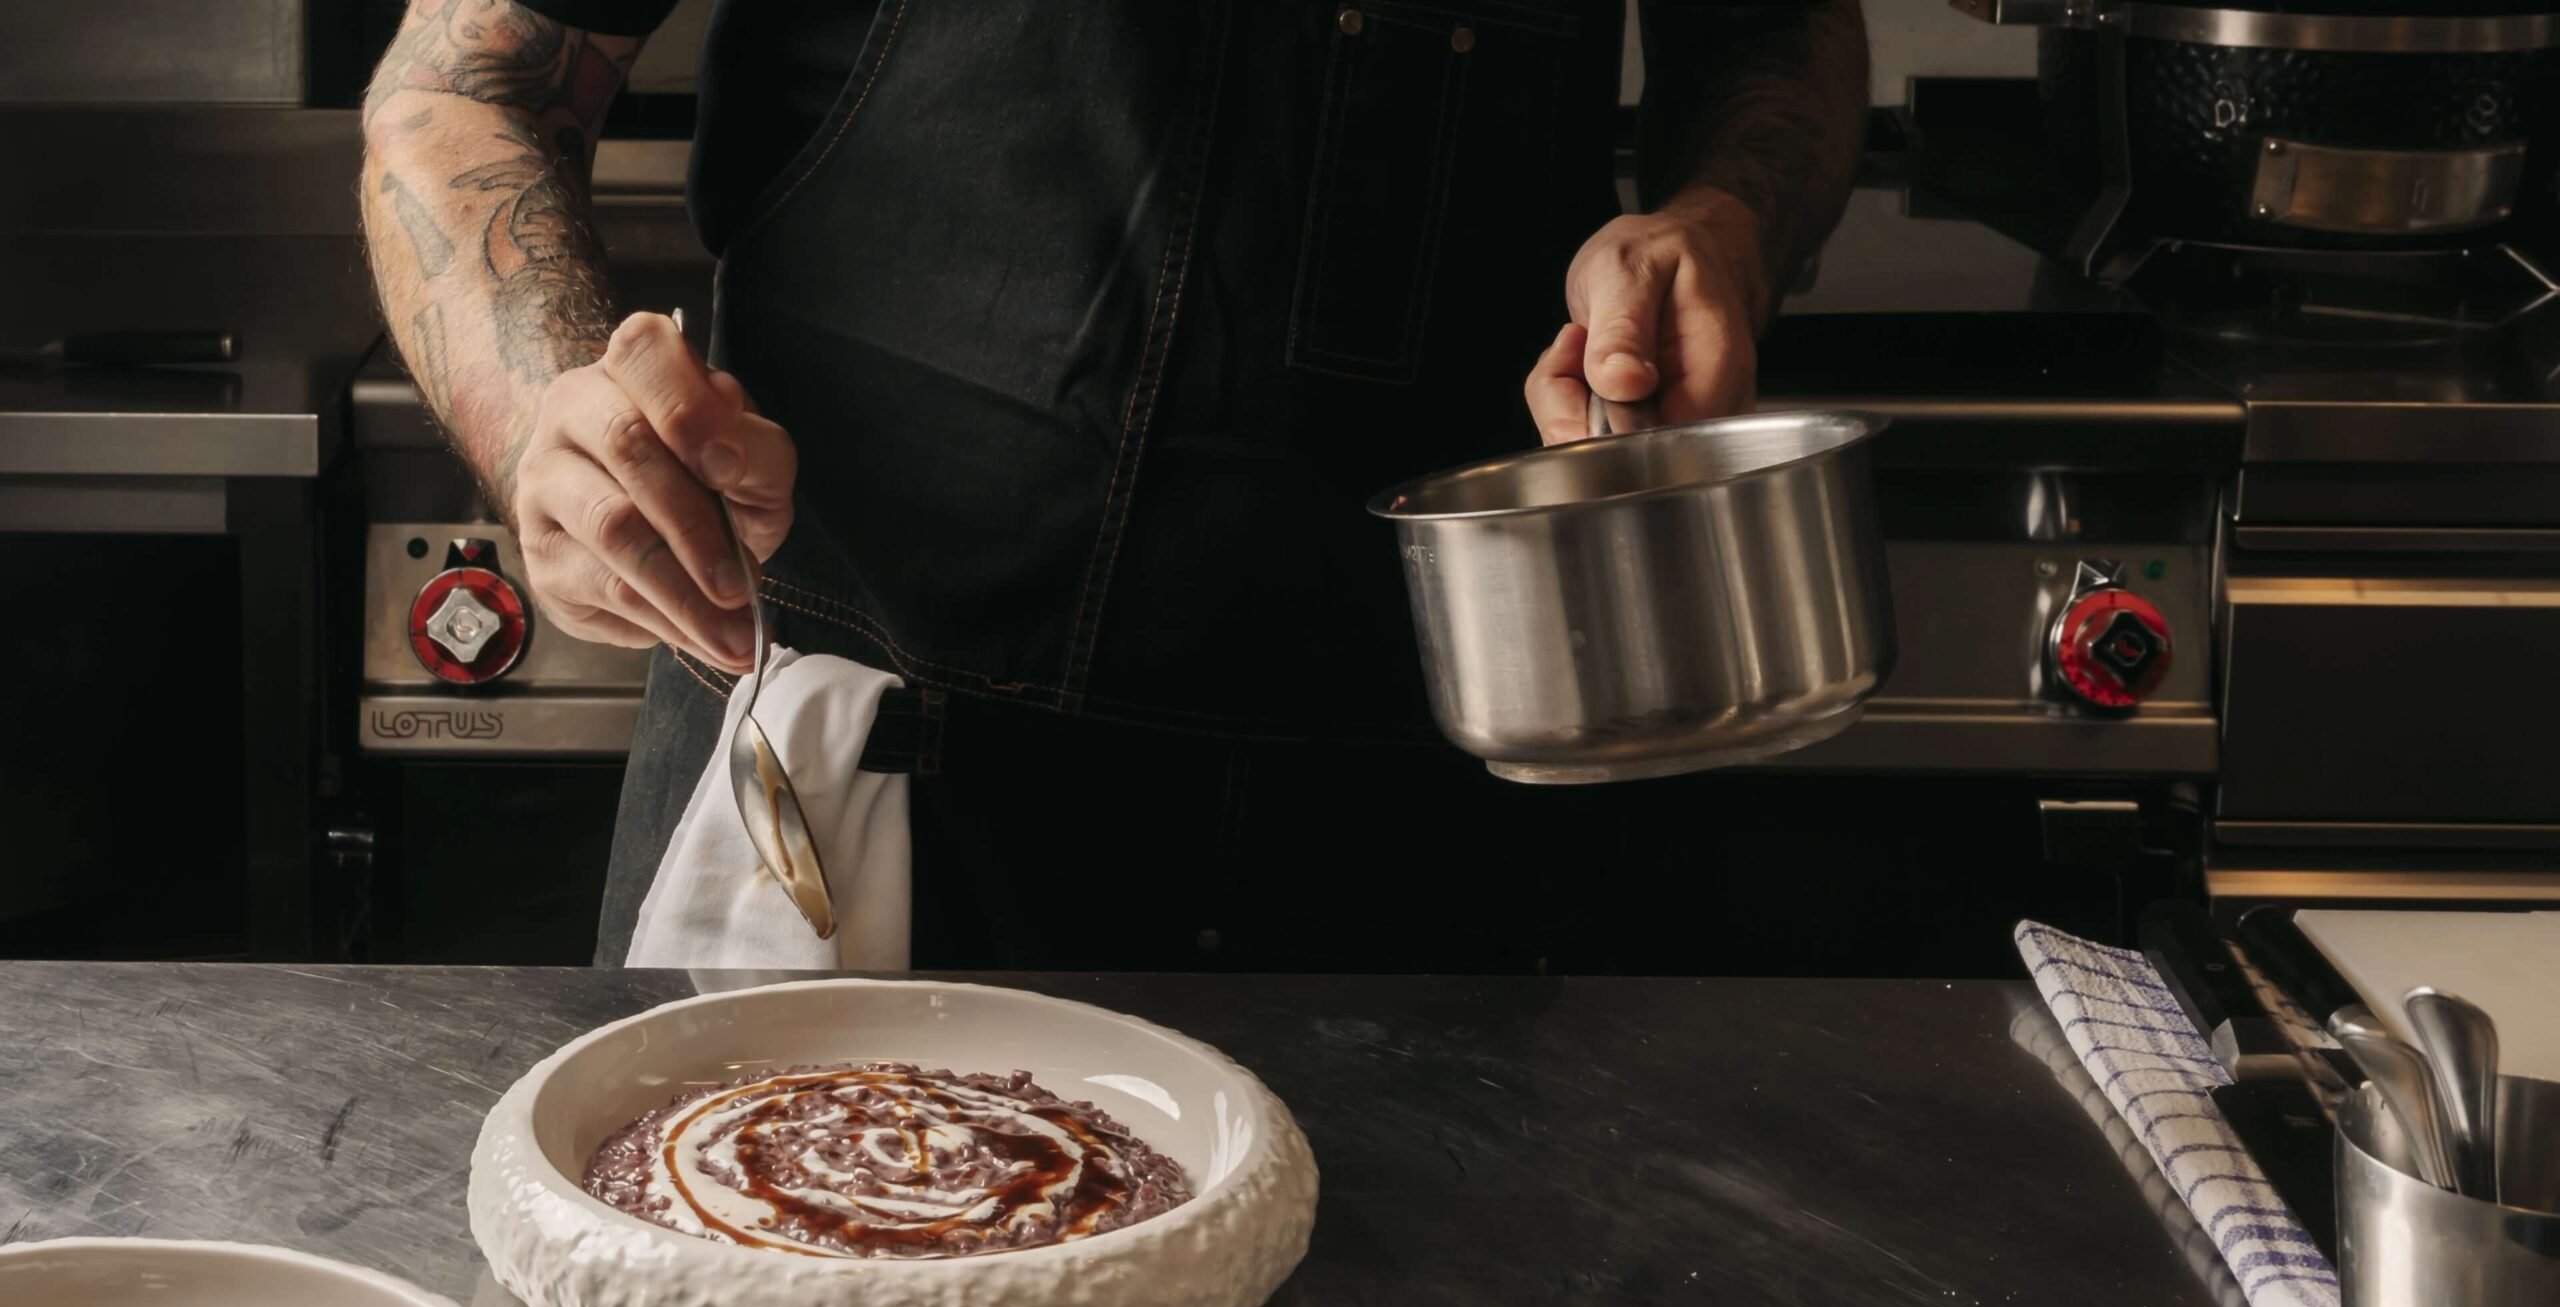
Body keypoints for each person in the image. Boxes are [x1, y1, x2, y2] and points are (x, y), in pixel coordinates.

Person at [360, 0, 1869, 972]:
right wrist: (548, 419)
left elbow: (1775, 36)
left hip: (1443, 776)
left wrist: (1724, 218)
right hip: (865, 762)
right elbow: (464, 92)